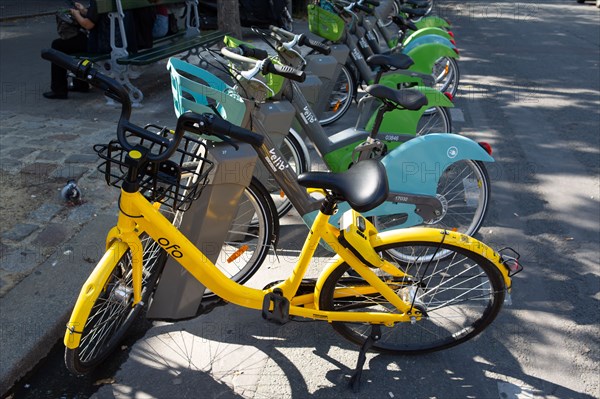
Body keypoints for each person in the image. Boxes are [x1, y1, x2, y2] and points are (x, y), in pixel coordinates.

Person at [44, 1, 100, 99]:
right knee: (76, 41)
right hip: (103, 39)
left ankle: (59, 90)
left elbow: (88, 25)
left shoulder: (100, 2)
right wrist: (83, 10)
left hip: (98, 42)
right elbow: (95, 17)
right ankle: (80, 84)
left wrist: (76, 14)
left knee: (57, 45)